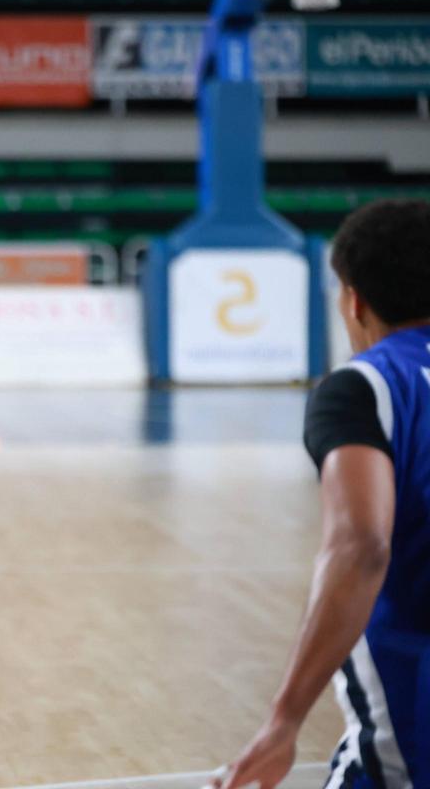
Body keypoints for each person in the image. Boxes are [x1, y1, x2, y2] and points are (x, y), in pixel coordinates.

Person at [212, 199, 429, 789]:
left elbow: (362, 546)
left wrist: (284, 719)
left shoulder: (366, 385)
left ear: (353, 300)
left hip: (414, 707)